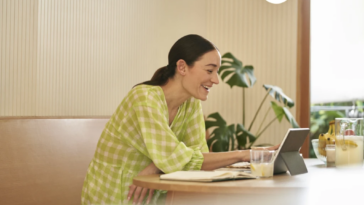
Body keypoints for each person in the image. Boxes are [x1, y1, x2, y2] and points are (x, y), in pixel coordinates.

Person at [81, 34, 279, 205]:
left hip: (156, 194)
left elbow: (196, 155)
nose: (216, 79)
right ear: (182, 67)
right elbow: (179, 158)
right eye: (210, 71)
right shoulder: (144, 98)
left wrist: (158, 165)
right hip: (117, 193)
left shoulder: (191, 103)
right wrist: (244, 154)